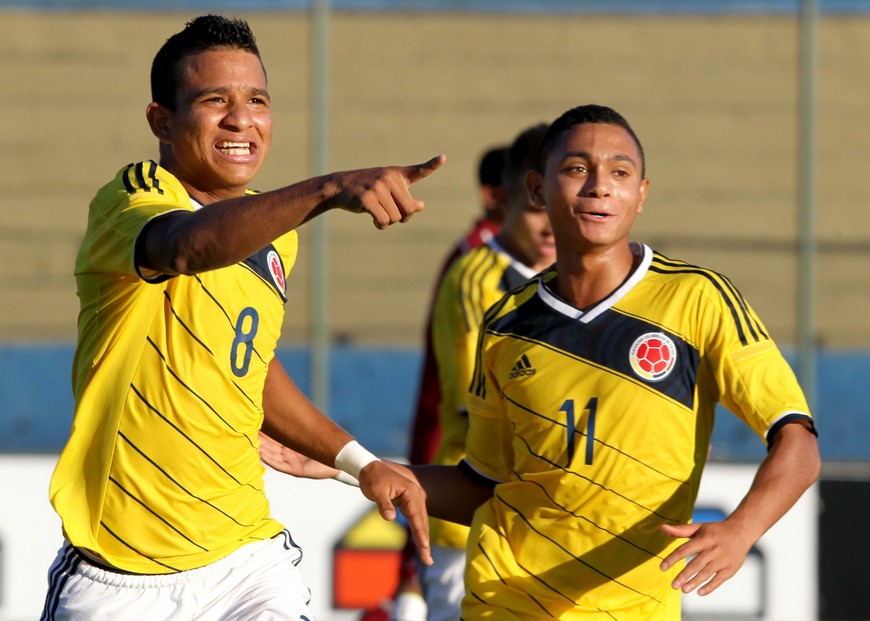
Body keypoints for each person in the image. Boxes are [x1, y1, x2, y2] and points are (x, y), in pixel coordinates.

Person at [40, 15, 442, 621]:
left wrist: (355, 460)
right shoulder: (131, 199)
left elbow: (251, 366)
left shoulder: (276, 234)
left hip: (244, 562)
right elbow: (187, 247)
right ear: (162, 122)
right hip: (119, 575)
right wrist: (329, 188)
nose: (241, 120)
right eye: (214, 101)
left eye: (257, 100)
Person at [399, 104, 821, 620]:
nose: (600, 186)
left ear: (640, 194)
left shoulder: (697, 298)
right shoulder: (506, 322)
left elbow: (797, 442)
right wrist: (349, 462)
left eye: (620, 173)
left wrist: (741, 530)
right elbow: (482, 487)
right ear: (536, 189)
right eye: (577, 169)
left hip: (634, 608)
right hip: (504, 603)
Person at [357, 145, 511, 621]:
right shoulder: (476, 266)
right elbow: (447, 398)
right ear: (498, 196)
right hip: (468, 498)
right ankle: (408, 581)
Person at [417, 122, 554, 621]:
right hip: (470, 522)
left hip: (537, 523)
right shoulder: (479, 279)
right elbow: (479, 412)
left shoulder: (568, 282)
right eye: (536, 208)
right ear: (509, 201)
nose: (549, 226)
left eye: (558, 210)